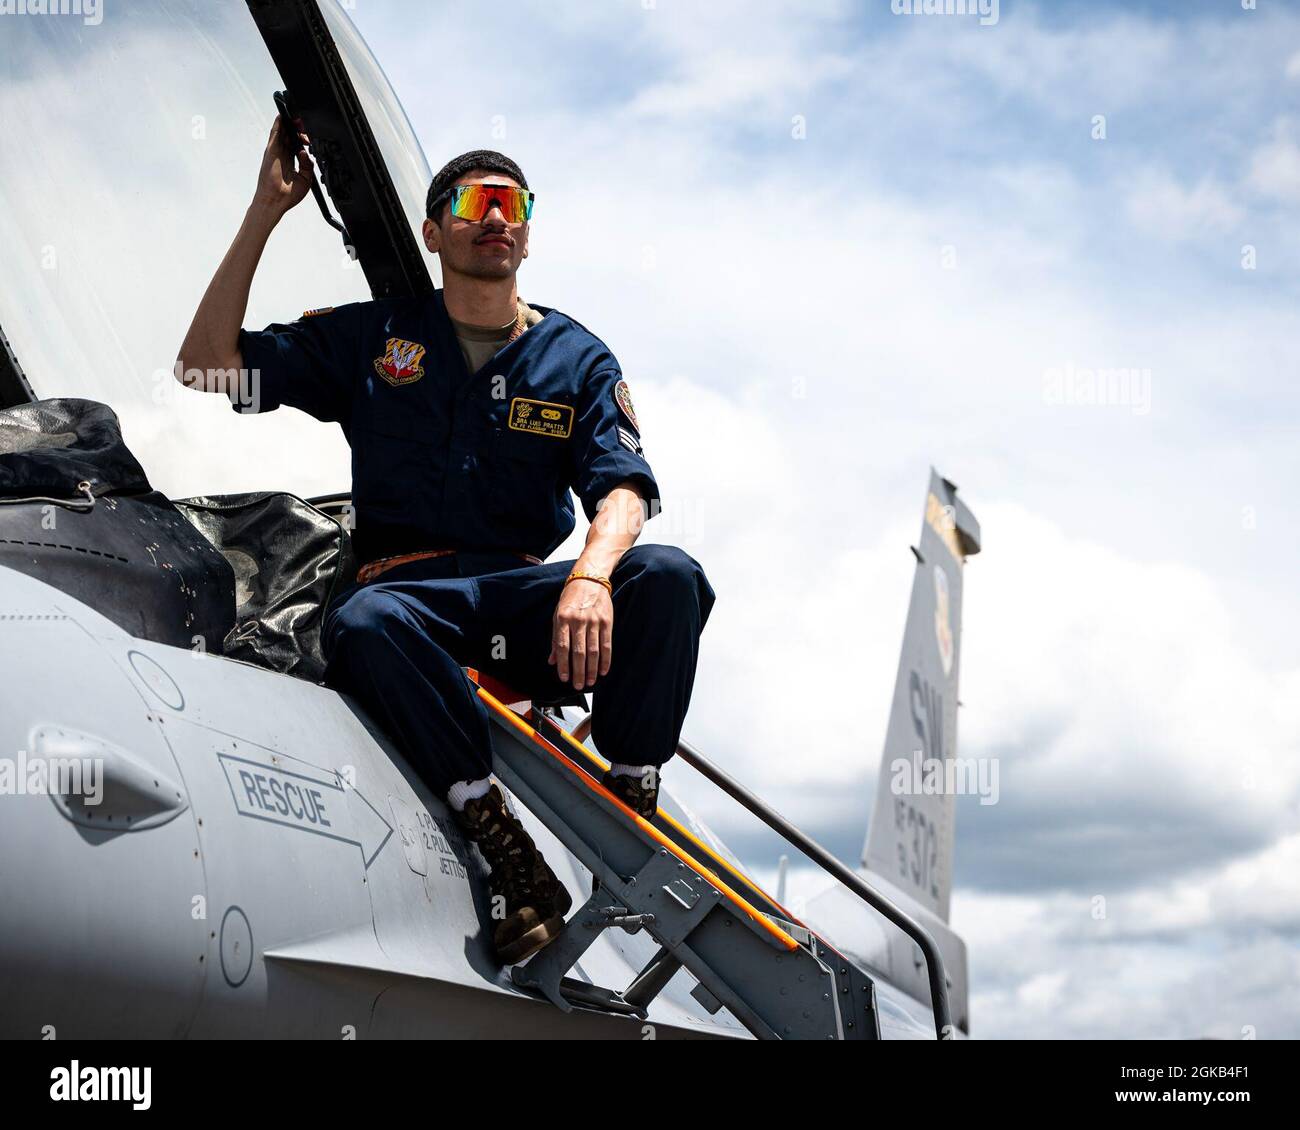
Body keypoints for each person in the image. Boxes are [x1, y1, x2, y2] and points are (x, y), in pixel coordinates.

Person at [176, 119, 715, 965]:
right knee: (362, 623)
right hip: (413, 603)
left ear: (527, 234)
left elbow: (621, 489)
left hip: (527, 600)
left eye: (512, 205)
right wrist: (264, 212)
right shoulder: (373, 338)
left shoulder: (576, 359)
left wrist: (591, 579)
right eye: (473, 203)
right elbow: (207, 365)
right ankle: (497, 833)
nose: (495, 217)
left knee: (669, 576)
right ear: (435, 232)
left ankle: (631, 794)